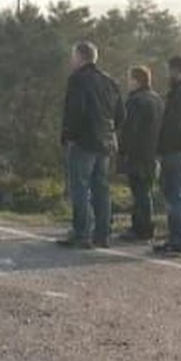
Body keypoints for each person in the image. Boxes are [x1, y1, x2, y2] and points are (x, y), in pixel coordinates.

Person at [58, 41, 125, 249]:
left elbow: (75, 110)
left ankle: (82, 232)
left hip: (84, 141)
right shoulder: (109, 81)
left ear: (80, 57)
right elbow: (121, 114)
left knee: (80, 187)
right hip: (104, 142)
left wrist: (68, 134)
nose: (72, 60)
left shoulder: (78, 79)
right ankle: (102, 234)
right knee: (101, 188)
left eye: (73, 56)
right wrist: (110, 130)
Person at [154, 56, 181, 256]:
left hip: (177, 150)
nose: (167, 75)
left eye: (169, 71)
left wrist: (161, 151)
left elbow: (172, 126)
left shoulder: (179, 94)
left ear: (176, 70)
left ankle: (179, 241)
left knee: (174, 197)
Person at [118, 66, 164, 242]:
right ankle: (144, 227)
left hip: (138, 153)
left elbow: (130, 129)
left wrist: (123, 150)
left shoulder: (136, 101)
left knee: (139, 192)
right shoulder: (158, 100)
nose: (127, 83)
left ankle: (141, 229)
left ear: (137, 80)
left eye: (129, 79)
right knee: (146, 191)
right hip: (153, 153)